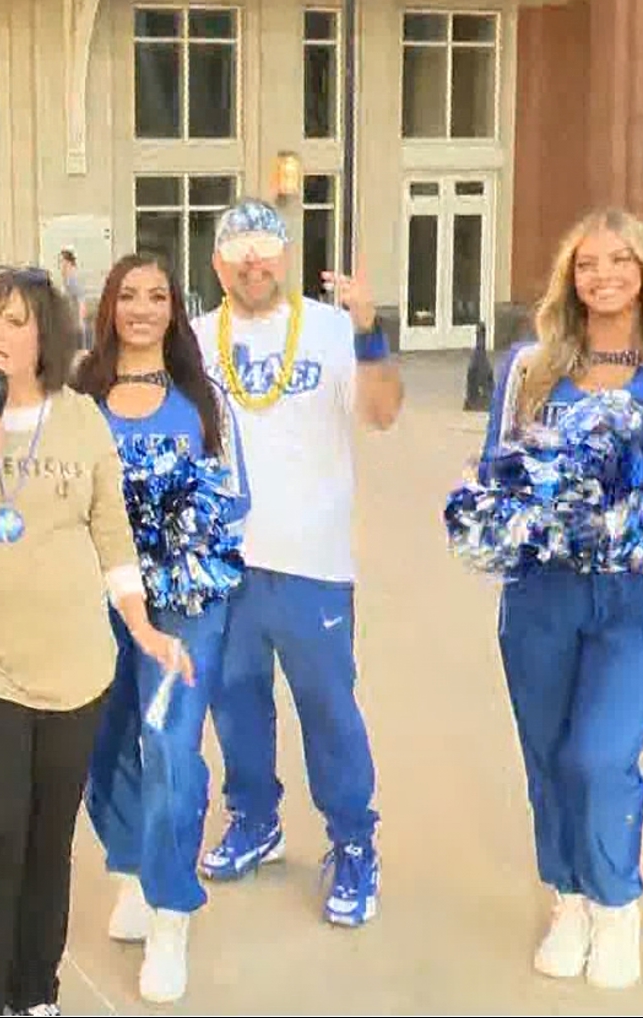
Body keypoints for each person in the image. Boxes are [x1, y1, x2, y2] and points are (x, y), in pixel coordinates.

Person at [0, 266, 189, 1017]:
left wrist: (142, 624)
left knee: (47, 840)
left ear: (44, 339)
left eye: (15, 322)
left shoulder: (81, 420)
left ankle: (33, 995)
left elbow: (111, 534)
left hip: (75, 670)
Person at [476, 207, 643, 989]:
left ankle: (617, 900)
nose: (603, 277)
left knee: (601, 754)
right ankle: (567, 897)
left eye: (618, 263)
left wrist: (637, 503)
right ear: (570, 277)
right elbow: (498, 471)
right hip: (541, 595)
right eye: (587, 264)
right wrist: (520, 502)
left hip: (640, 594)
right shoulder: (529, 367)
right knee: (548, 756)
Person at [187, 198, 402, 928]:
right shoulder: (193, 339)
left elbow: (382, 413)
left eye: (265, 250)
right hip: (225, 562)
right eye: (237, 251)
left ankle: (352, 841)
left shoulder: (333, 329)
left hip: (312, 562)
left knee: (329, 710)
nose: (252, 263)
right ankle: (254, 817)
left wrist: (372, 335)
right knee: (236, 704)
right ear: (218, 264)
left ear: (285, 257)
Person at [74, 253, 249, 1004]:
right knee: (100, 744)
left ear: (176, 311)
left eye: (157, 296)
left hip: (185, 604)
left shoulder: (205, 400)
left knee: (170, 745)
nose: (141, 309)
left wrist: (180, 535)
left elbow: (236, 499)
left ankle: (173, 910)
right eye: (128, 296)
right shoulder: (77, 395)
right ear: (108, 307)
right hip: (95, 601)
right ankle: (134, 867)